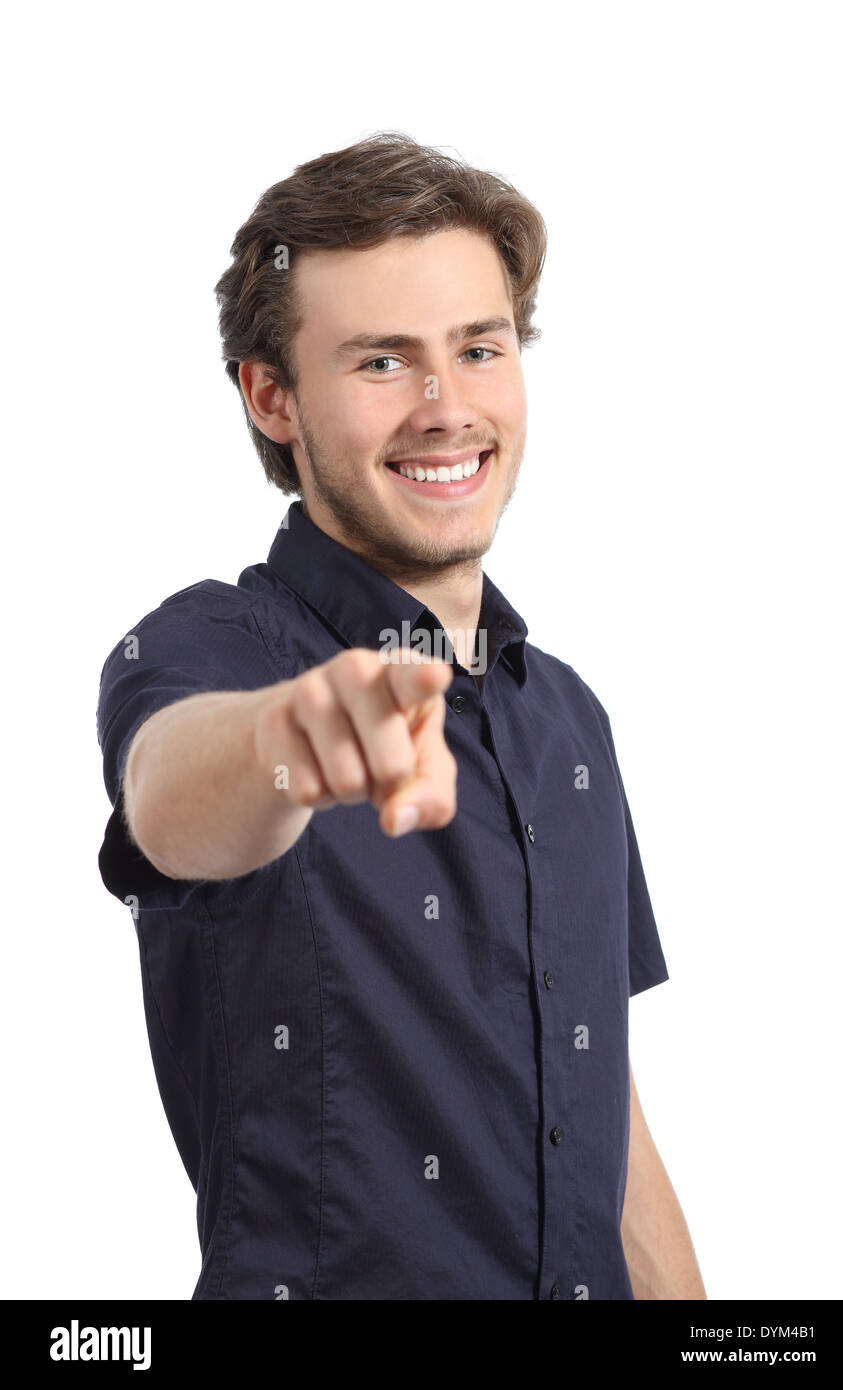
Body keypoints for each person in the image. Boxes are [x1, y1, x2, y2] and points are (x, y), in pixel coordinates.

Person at [96, 132, 706, 1301]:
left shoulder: (569, 717)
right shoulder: (208, 648)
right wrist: (291, 741)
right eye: (381, 363)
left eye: (476, 349)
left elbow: (611, 1134)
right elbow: (169, 798)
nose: (444, 407)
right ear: (272, 397)